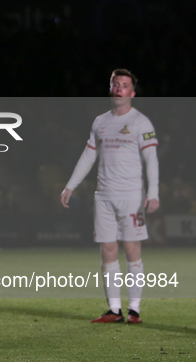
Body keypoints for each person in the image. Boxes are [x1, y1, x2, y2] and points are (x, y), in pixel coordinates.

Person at [60, 69, 159, 324]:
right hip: (103, 196)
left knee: (132, 248)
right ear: (110, 88)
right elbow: (89, 156)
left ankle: (134, 310)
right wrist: (70, 185)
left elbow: (151, 159)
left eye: (124, 85)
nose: (119, 88)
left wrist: (153, 192)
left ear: (132, 92)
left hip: (131, 197)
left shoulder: (141, 122)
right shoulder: (100, 122)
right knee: (107, 250)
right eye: (115, 84)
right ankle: (114, 310)